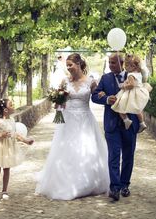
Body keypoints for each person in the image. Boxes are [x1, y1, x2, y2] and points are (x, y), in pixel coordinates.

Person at [36, 53, 110, 200]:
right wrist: (58, 100)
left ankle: (87, 182)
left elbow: (96, 97)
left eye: (70, 65)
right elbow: (59, 104)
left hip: (85, 120)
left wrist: (104, 95)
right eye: (67, 65)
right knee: (66, 150)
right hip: (68, 120)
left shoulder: (91, 82)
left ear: (78, 64)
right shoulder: (65, 81)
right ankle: (66, 182)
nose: (68, 68)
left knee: (86, 149)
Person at [91, 53, 141, 201]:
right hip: (112, 124)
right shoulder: (105, 78)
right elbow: (94, 96)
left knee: (128, 155)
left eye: (113, 63)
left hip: (130, 122)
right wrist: (106, 98)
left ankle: (125, 185)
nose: (110, 65)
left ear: (121, 63)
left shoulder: (132, 76)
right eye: (109, 63)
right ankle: (115, 187)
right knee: (113, 156)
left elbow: (140, 95)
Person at [0, 98, 34, 206]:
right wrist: (1, 135)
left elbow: (15, 134)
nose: (13, 106)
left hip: (9, 148)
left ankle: (4, 190)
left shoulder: (12, 120)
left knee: (7, 169)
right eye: (11, 105)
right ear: (5, 110)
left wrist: (26, 141)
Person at [110, 53, 151, 133]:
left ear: (133, 66)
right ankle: (142, 122)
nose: (125, 67)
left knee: (119, 105)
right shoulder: (139, 74)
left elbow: (131, 85)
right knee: (137, 109)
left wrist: (124, 86)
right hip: (139, 91)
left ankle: (126, 120)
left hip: (132, 92)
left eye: (127, 66)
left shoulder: (131, 75)